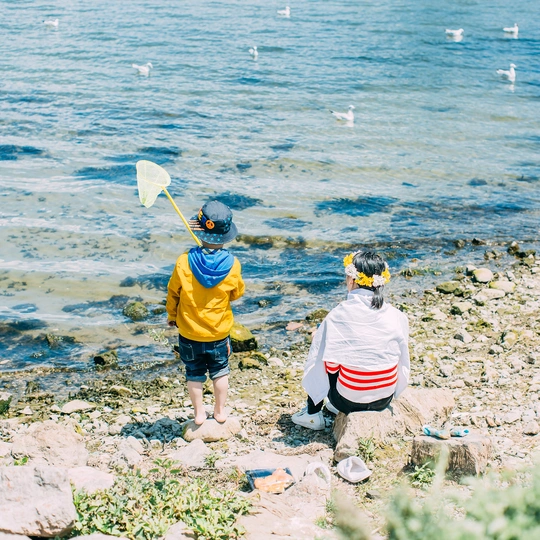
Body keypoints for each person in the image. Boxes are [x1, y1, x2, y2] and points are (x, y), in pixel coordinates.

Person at [292, 250, 410, 430]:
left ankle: (312, 414)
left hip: (348, 402)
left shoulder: (338, 315)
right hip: (384, 399)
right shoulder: (396, 315)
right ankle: (341, 398)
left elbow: (331, 367)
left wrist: (320, 341)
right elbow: (401, 357)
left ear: (352, 280)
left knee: (321, 348)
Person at [166, 200, 245, 425]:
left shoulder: (183, 262)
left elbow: (173, 293)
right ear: (226, 236)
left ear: (199, 233)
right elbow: (236, 293)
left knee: (194, 373)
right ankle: (219, 411)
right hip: (218, 333)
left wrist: (172, 315)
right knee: (220, 371)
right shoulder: (233, 264)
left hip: (189, 332)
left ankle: (199, 413)